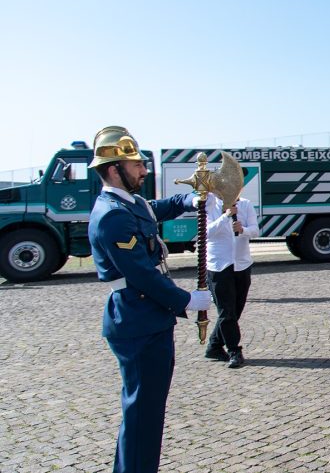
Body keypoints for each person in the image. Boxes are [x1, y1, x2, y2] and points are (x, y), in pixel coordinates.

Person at [87, 126, 212, 473]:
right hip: (137, 319)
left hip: (146, 318)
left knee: (146, 413)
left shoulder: (129, 204)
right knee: (143, 414)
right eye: (136, 165)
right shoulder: (112, 214)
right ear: (114, 170)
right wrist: (186, 300)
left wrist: (189, 200)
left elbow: (154, 210)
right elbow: (141, 273)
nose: (143, 171)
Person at [203, 192, 259, 369]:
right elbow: (206, 233)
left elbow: (255, 230)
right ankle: (234, 350)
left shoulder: (246, 204)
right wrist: (225, 216)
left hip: (241, 264)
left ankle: (214, 346)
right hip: (219, 265)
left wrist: (243, 230)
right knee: (226, 311)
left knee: (235, 310)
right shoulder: (210, 205)